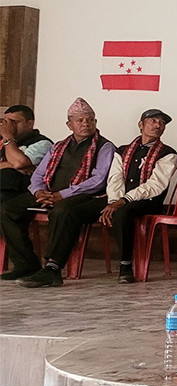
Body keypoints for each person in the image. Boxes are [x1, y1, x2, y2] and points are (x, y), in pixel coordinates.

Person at [2, 98, 116, 287]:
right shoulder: (58, 146)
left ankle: (52, 269)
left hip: (83, 196)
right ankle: (26, 265)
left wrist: (62, 195)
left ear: (95, 122)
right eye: (80, 120)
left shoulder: (105, 146)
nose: (85, 124)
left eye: (90, 120)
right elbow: (38, 174)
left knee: (62, 211)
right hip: (48, 193)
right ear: (69, 125)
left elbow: (98, 181)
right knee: (7, 209)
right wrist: (38, 192)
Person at [101, 109, 177, 283]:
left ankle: (125, 265)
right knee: (74, 209)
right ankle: (53, 266)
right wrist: (114, 200)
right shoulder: (123, 150)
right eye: (153, 121)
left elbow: (155, 185)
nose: (158, 125)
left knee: (122, 213)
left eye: (162, 123)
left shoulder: (167, 153)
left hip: (149, 201)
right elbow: (115, 178)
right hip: (120, 199)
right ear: (140, 125)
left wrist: (123, 201)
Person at [0, 104, 52, 198]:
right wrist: (10, 164)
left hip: (18, 192)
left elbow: (19, 163)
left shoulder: (43, 143)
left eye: (14, 122)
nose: (9, 126)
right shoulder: (1, 140)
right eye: (6, 122)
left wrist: (8, 137)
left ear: (30, 123)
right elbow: (17, 164)